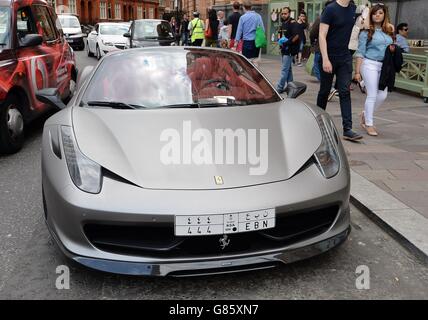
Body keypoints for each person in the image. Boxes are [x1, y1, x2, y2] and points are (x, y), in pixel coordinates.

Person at [317, 0, 363, 141]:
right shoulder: (330, 9)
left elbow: (363, 28)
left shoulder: (353, 9)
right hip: (328, 56)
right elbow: (321, 35)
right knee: (324, 91)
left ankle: (347, 129)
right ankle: (318, 124)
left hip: (345, 57)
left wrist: (365, 15)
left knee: (344, 91)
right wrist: (325, 58)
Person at [354, 4, 395, 137]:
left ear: (384, 15)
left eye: (380, 13)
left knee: (382, 95)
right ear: (371, 15)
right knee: (372, 94)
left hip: (384, 67)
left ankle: (365, 114)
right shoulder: (366, 32)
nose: (377, 15)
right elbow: (360, 52)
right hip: (369, 64)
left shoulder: (388, 32)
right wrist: (357, 72)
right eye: (375, 13)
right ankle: (369, 124)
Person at [276, 7, 300, 93]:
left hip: (289, 50)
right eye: (282, 13)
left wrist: (286, 43)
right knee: (288, 70)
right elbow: (281, 34)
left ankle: (279, 88)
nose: (283, 15)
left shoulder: (293, 23)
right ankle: (292, 87)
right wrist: (279, 40)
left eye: (285, 13)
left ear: (289, 13)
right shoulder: (283, 23)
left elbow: (296, 36)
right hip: (284, 49)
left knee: (284, 70)